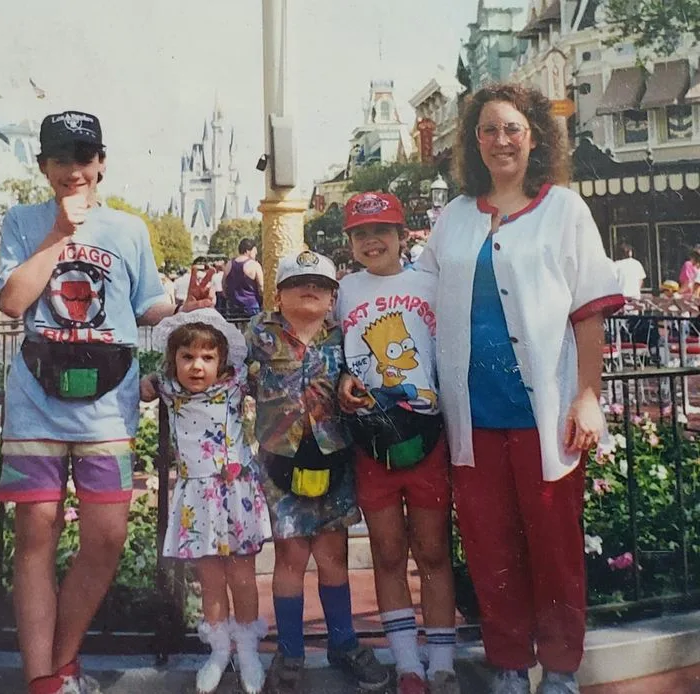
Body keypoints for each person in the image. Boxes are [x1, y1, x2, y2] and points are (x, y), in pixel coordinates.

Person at [0, 109, 212, 694]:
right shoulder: (21, 220)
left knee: (106, 537)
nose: (74, 170)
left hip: (107, 406)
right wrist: (59, 234)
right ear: (43, 166)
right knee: (35, 534)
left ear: (102, 163)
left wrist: (184, 304)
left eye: (84, 158)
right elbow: (13, 301)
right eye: (61, 158)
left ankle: (60, 662)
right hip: (38, 400)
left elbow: (146, 307)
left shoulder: (129, 229)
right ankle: (44, 680)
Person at [416, 84, 624, 694]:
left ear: (534, 136)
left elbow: (589, 310)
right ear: (472, 142)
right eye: (487, 130)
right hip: (473, 418)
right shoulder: (454, 217)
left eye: (512, 128)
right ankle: (509, 664)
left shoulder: (563, 209)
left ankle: (559, 670)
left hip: (545, 413)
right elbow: (419, 300)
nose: (500, 140)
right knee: (489, 549)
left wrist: (588, 395)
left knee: (554, 548)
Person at [245, 250, 389, 694]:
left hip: (332, 458)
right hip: (280, 461)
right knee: (290, 558)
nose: (310, 290)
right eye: (298, 283)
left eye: (322, 286)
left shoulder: (344, 337)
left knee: (333, 556)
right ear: (279, 293)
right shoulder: (257, 335)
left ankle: (343, 643)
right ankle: (290, 650)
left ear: (332, 298)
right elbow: (222, 369)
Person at [336, 192, 458, 694]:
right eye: (361, 233)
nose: (372, 241)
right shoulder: (343, 291)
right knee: (387, 552)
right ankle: (407, 662)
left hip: (426, 436)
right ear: (350, 242)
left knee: (432, 550)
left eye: (382, 230)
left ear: (403, 235)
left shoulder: (429, 285)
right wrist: (343, 378)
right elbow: (329, 352)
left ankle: (443, 659)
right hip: (373, 440)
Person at [140, 308, 272, 694]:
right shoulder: (167, 388)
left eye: (207, 357)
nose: (197, 366)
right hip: (197, 497)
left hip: (235, 494)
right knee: (210, 580)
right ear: (174, 360)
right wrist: (146, 383)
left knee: (243, 578)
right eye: (187, 357)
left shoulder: (234, 386)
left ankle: (247, 652)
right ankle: (217, 652)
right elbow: (143, 386)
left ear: (221, 360)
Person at [223, 239, 263, 317]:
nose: (256, 254)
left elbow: (224, 284)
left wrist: (228, 297)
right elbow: (261, 287)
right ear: (248, 251)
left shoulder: (229, 264)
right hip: (251, 306)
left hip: (233, 307)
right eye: (254, 251)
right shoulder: (254, 265)